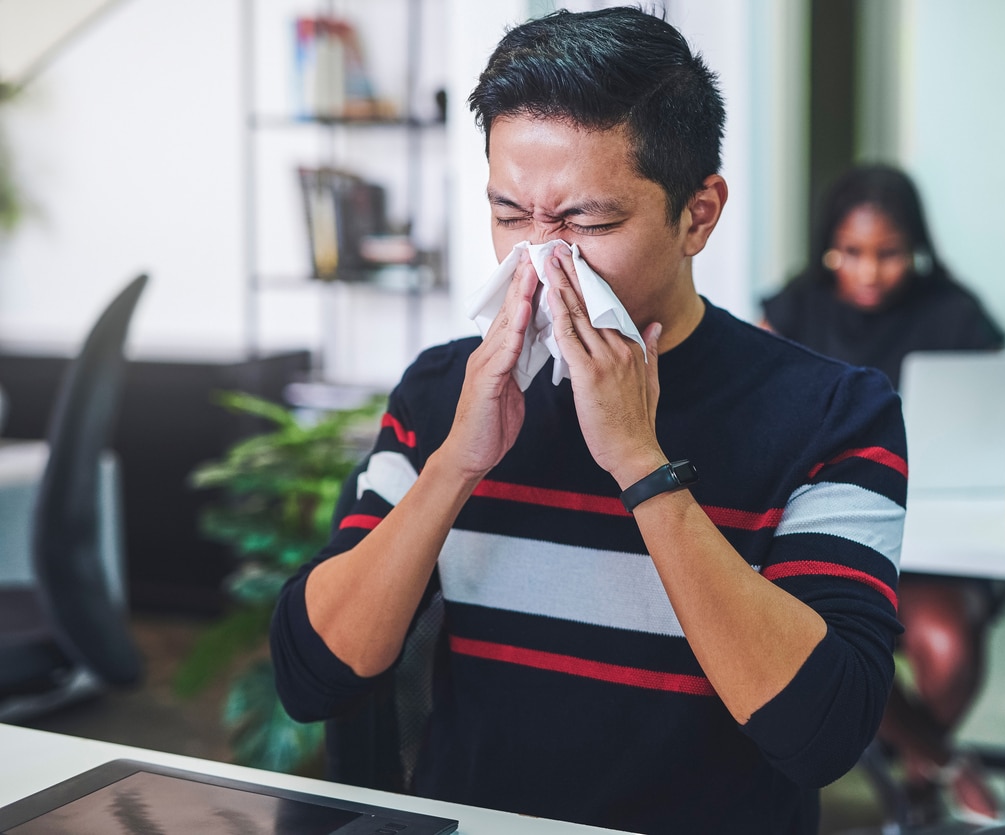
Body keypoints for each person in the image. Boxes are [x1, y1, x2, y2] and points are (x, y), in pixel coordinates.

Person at [271, 9, 905, 835]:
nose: (541, 260)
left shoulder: (832, 414)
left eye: (587, 223)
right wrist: (455, 463)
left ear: (697, 215)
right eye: (510, 214)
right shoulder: (444, 391)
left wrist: (643, 469)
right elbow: (315, 677)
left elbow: (821, 731)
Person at [762, 164, 1005, 825]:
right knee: (825, 630)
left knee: (948, 643)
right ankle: (941, 765)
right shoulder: (793, 307)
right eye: (850, 252)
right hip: (826, 527)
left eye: (888, 253)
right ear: (827, 245)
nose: (868, 271)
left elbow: (997, 422)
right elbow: (754, 410)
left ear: (916, 246)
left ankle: (919, 768)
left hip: (934, 538)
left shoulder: (954, 314)